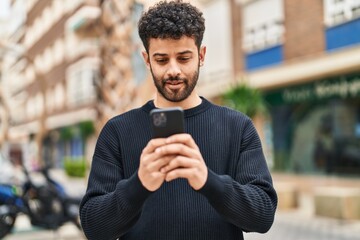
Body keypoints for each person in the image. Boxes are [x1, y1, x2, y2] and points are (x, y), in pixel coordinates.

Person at [80, 1, 277, 239]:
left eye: (184, 58)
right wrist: (139, 184)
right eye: (162, 60)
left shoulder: (238, 127)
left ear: (201, 55)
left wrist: (208, 180)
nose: (173, 70)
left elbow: (263, 217)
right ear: (147, 60)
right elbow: (93, 227)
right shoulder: (117, 131)